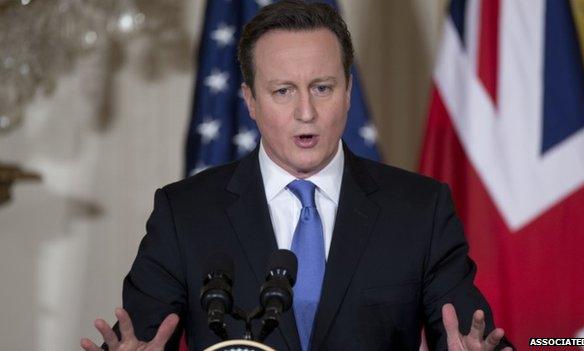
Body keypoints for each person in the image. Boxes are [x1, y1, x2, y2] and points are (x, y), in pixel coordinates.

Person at [81, 1, 513, 350]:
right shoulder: (186, 213)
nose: (305, 112)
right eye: (283, 91)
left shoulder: (420, 208)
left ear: (347, 92)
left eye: (322, 88)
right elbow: (139, 339)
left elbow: (472, 335)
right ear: (250, 100)